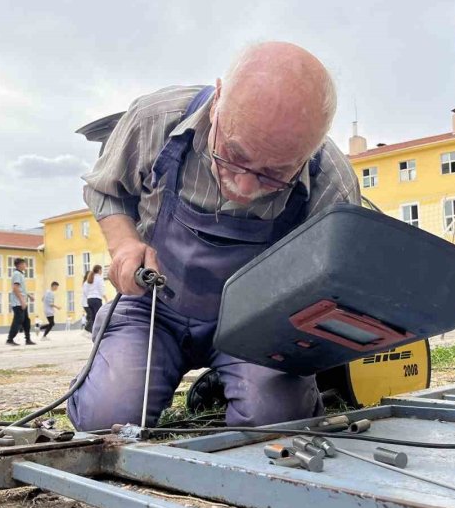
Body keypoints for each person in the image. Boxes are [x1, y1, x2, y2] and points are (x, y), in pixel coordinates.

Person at [69, 42, 360, 432]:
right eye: (234, 154)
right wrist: (124, 244)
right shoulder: (156, 119)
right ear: (218, 98)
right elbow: (105, 188)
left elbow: (336, 290)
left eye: (273, 173)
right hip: (153, 310)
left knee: (275, 422)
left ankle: (229, 385)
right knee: (104, 420)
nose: (242, 187)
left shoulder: (332, 184)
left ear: (310, 149)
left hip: (257, 325)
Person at [6, 258, 35, 346]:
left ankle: (28, 339)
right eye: (24, 264)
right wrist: (22, 300)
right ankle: (10, 339)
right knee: (18, 320)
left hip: (22, 301)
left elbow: (22, 289)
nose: (26, 265)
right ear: (19, 265)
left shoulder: (20, 274)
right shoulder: (17, 274)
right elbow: (15, 288)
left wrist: (29, 295)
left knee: (26, 321)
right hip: (18, 302)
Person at [83, 264, 105, 333]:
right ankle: (98, 331)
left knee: (93, 317)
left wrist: (88, 296)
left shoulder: (89, 278)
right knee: (98, 315)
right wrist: (104, 296)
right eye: (101, 270)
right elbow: (101, 289)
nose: (102, 271)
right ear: (99, 270)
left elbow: (85, 290)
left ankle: (93, 331)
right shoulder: (99, 278)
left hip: (89, 299)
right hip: (96, 299)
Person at [80, 271, 91, 335]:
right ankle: (86, 330)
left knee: (89, 316)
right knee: (91, 316)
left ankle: (88, 330)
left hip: (86, 302)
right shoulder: (86, 283)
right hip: (86, 303)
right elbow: (87, 293)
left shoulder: (87, 283)